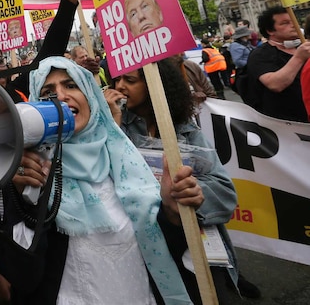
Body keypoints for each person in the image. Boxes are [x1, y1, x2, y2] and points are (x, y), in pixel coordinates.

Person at [0, 57, 203, 304]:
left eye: (71, 86)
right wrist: (26, 203)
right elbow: (23, 277)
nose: (60, 97)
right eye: (47, 93)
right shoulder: (29, 174)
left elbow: (167, 253)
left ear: (91, 97)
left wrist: (171, 213)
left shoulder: (126, 163)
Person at [112, 61, 261, 300]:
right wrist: (111, 126)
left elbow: (224, 192)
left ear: (154, 85)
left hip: (191, 246)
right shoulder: (115, 125)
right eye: (117, 79)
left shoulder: (183, 128)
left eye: (129, 80)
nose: (120, 86)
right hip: (142, 252)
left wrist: (190, 193)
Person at [244, 6, 310, 121]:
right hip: (286, 124)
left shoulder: (303, 46)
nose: (293, 25)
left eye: (293, 21)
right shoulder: (260, 54)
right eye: (285, 23)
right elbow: (275, 84)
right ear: (270, 30)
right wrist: (298, 58)